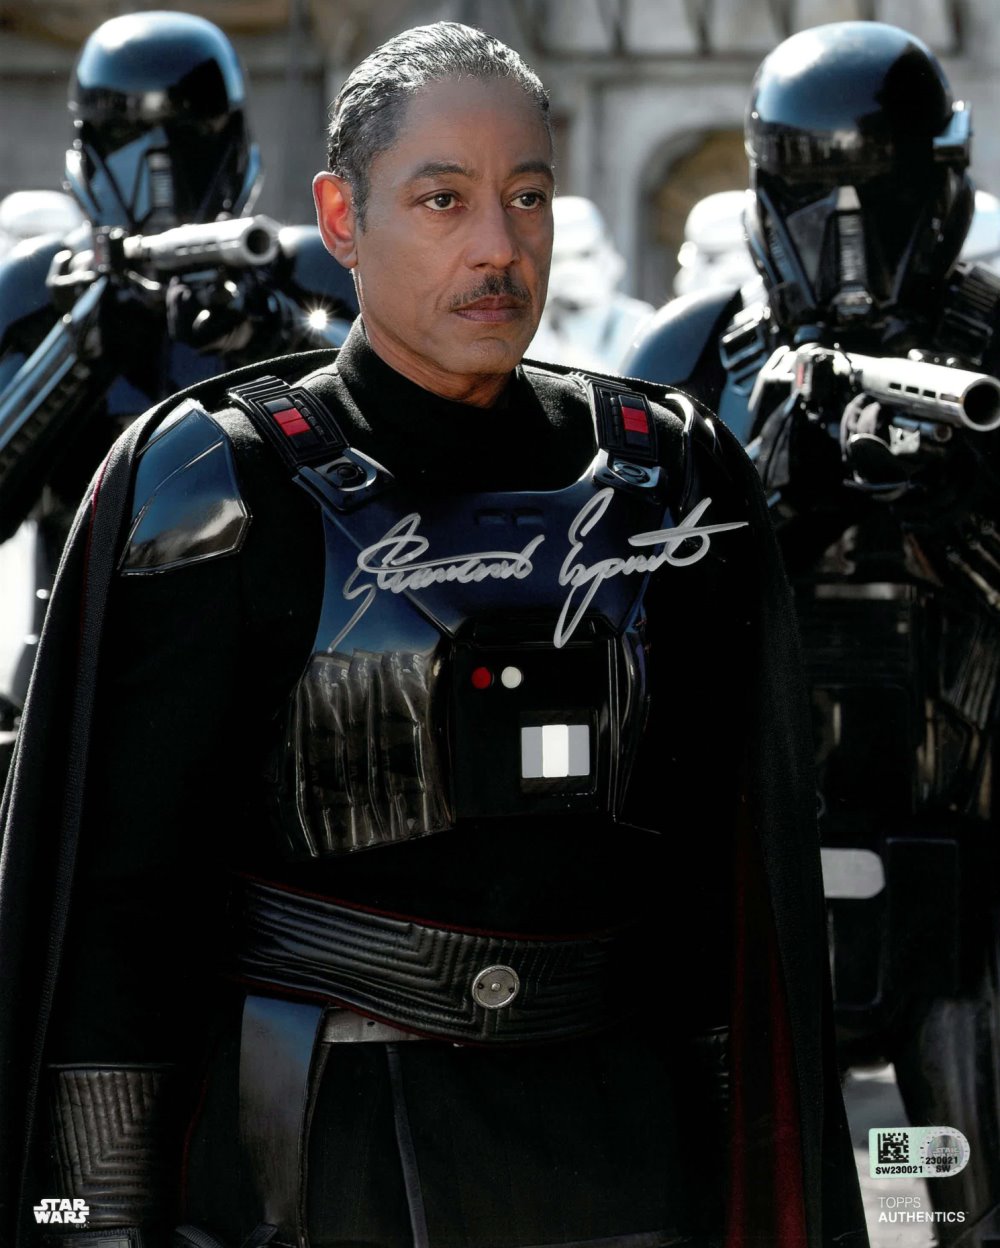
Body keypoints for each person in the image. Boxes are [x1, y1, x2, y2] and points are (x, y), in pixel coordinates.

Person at [0, 21, 865, 1248]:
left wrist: (757, 1187)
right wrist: (88, 1219)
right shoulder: (223, 487)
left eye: (527, 196)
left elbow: (728, 909)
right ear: (341, 219)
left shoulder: (671, 474)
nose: (498, 246)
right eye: (443, 199)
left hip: (625, 1152)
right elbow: (118, 916)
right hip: (317, 1156)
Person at [624, 21, 1000, 1242]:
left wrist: (959, 519)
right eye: (808, 191)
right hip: (749, 867)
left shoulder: (988, 353)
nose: (843, 239)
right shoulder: (693, 357)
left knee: (956, 1197)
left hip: (970, 874)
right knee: (762, 1199)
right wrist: (772, 508)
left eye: (872, 191)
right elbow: (616, 622)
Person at [0, 9, 357, 775]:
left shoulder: (307, 273)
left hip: (294, 687)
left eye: (191, 135)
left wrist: (275, 335)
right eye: (131, 137)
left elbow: (405, 423)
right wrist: (79, 353)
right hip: (79, 690)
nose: (162, 171)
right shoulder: (38, 291)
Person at [527, 195, 653, 371]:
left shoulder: (639, 323)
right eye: (558, 259)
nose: (571, 271)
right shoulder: (532, 329)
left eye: (583, 255)